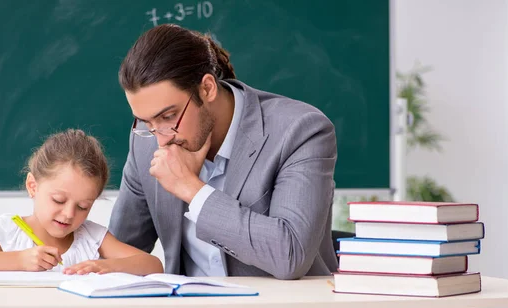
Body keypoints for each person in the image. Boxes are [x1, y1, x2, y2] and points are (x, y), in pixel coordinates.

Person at [110, 24, 338, 280]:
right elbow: (120, 254)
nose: (161, 141)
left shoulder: (300, 131)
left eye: (168, 116)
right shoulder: (146, 141)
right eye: (146, 122)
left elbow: (291, 255)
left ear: (207, 88)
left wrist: (191, 189)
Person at [0, 129, 163, 276]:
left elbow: (153, 265)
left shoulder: (93, 237)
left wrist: (106, 266)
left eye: (83, 206)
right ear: (33, 186)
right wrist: (20, 260)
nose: (68, 214)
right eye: (58, 200)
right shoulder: (9, 230)